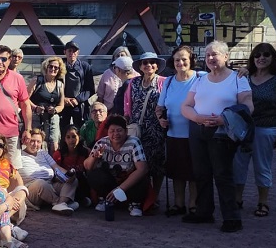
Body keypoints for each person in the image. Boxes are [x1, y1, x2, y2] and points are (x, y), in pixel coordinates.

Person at [180, 40, 254, 233]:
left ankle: (231, 217)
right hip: (198, 130)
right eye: (208, 55)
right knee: (201, 173)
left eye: (215, 54)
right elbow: (186, 105)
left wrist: (224, 119)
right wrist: (196, 117)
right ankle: (204, 212)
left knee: (222, 174)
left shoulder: (238, 78)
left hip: (222, 132)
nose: (211, 58)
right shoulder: (200, 79)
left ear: (226, 57)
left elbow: (247, 106)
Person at [233, 43, 276, 218]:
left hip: (266, 129)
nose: (261, 58)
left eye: (266, 54)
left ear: (273, 57)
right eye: (257, 55)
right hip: (243, 130)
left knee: (262, 167)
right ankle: (237, 200)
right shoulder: (245, 76)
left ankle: (263, 202)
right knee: (238, 166)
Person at [113, 52, 168, 200]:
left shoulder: (164, 82)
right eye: (144, 62)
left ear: (157, 66)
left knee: (156, 165)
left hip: (156, 130)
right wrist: (126, 122)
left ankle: (153, 198)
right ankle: (140, 196)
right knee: (137, 165)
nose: (148, 65)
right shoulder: (133, 82)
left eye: (152, 62)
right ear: (140, 66)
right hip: (136, 130)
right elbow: (127, 105)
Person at [156, 46, 203, 217]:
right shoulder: (168, 82)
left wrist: (242, 71)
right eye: (177, 60)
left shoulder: (201, 78)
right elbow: (159, 108)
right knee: (177, 172)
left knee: (193, 172)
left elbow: (221, 76)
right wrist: (161, 119)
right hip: (173, 134)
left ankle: (193, 204)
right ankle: (179, 203)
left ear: (191, 60)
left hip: (194, 134)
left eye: (184, 59)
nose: (180, 62)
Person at [84, 115, 149, 218]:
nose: (115, 134)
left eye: (119, 130)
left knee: (142, 178)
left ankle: (134, 204)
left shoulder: (134, 142)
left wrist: (120, 189)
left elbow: (142, 169)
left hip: (126, 181)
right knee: (93, 174)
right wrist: (94, 157)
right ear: (107, 132)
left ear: (126, 131)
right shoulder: (102, 143)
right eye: (112, 131)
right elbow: (87, 166)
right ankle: (106, 199)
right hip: (110, 180)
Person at [20, 127, 80, 215]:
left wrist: (68, 175)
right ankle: (61, 203)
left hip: (50, 185)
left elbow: (57, 167)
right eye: (32, 141)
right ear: (26, 140)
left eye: (38, 142)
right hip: (31, 189)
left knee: (73, 181)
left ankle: (60, 204)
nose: (35, 144)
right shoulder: (19, 155)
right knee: (40, 183)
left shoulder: (43, 153)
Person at [0, 133, 31, 238]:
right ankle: (8, 226)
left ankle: (2, 219)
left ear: (3, 150)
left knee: (22, 189)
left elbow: (18, 179)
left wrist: (13, 199)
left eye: (0, 145)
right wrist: (9, 200)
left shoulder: (6, 164)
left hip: (7, 202)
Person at [28, 56, 65, 153]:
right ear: (46, 67)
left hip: (52, 118)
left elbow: (61, 105)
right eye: (51, 66)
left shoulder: (60, 85)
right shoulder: (37, 80)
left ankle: (53, 165)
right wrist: (35, 108)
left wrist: (55, 110)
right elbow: (25, 98)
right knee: (36, 143)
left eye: (56, 68)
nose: (53, 69)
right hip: (36, 117)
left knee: (54, 145)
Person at [61, 40, 95, 131]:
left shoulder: (85, 67)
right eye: (69, 51)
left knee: (80, 130)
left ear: (78, 53)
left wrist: (78, 99)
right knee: (63, 130)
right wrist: (63, 98)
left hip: (79, 105)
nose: (72, 53)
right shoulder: (60, 66)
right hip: (63, 104)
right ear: (65, 52)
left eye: (74, 51)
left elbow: (90, 89)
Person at [52, 125, 91, 206]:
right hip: (65, 184)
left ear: (79, 137)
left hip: (82, 185)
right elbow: (53, 176)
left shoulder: (86, 152)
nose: (71, 140)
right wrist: (65, 179)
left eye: (74, 136)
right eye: (68, 137)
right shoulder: (59, 154)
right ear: (64, 139)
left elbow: (90, 172)